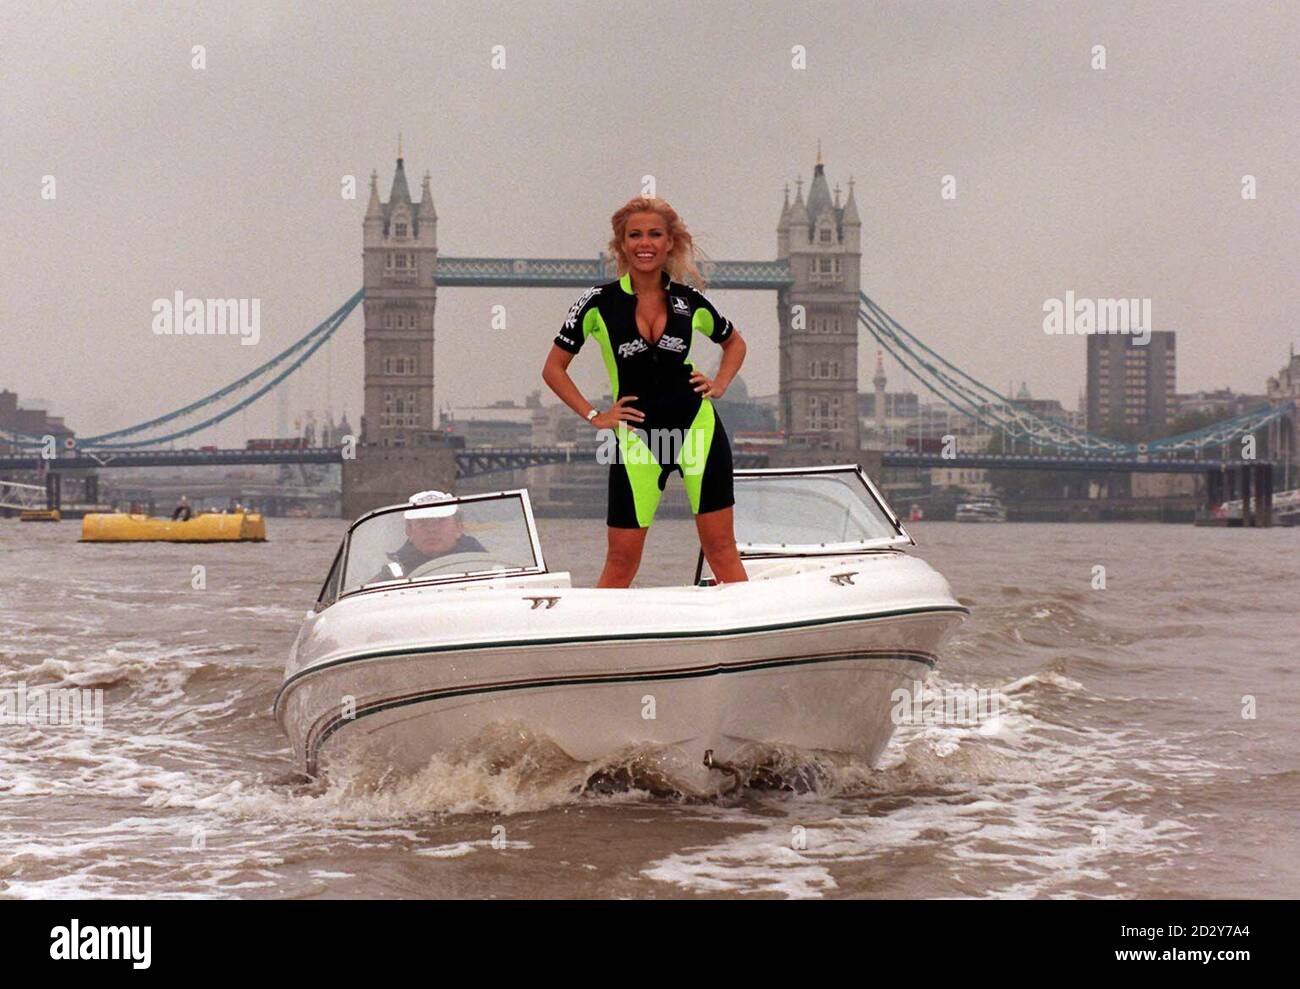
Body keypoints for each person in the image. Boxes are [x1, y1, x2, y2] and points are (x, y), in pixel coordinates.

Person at [542, 196, 749, 588]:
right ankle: (594, 645)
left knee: (721, 550)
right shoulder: (596, 304)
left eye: (655, 234)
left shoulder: (691, 301)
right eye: (634, 235)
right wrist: (595, 416)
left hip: (698, 432)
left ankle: (754, 642)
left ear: (670, 242)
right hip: (637, 440)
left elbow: (735, 343)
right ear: (621, 244)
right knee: (621, 561)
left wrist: (719, 383)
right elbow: (553, 369)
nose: (645, 243)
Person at [369, 490, 486, 583]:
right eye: (422, 522)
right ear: (409, 530)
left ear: (458, 528)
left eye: (440, 521)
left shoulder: (486, 567)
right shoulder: (391, 577)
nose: (432, 529)